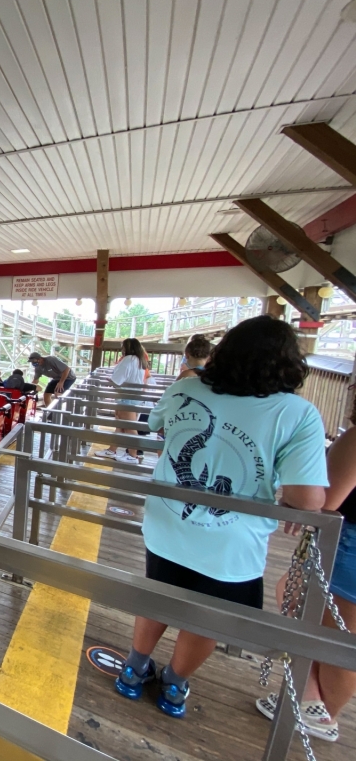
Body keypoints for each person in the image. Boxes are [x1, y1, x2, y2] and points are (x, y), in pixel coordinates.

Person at [115, 316, 328, 719]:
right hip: (232, 540)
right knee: (208, 618)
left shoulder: (186, 388)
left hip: (168, 519)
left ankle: (134, 668)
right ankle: (174, 683)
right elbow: (306, 496)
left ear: (224, 353)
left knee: (158, 592)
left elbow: (156, 425)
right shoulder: (297, 414)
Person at [255, 397, 356, 742]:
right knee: (330, 626)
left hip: (348, 548)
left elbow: (325, 500)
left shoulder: (354, 439)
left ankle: (318, 710)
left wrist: (298, 500)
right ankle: (311, 701)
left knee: (337, 637)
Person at [94, 338, 149, 464]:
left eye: (123, 347)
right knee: (120, 426)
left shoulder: (128, 359)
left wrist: (110, 380)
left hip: (126, 396)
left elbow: (117, 380)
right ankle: (112, 450)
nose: (122, 349)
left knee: (130, 428)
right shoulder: (139, 360)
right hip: (132, 396)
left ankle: (133, 455)